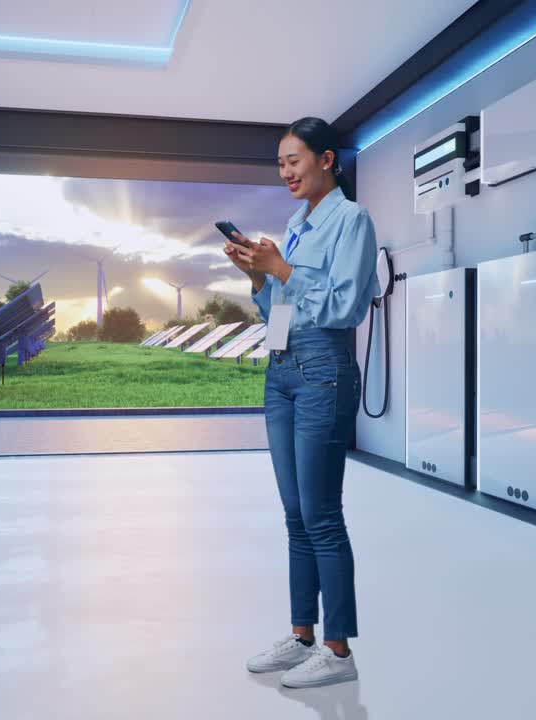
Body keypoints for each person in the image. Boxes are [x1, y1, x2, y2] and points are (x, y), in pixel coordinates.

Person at [223, 117, 379, 689]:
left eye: (294, 160)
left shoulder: (352, 220)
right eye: (280, 164)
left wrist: (281, 268)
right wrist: (258, 278)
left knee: (322, 515)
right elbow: (279, 314)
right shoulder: (293, 227)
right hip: (283, 369)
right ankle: (302, 635)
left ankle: (338, 652)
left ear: (326, 160)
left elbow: (344, 309)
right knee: (295, 516)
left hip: (323, 372)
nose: (286, 172)